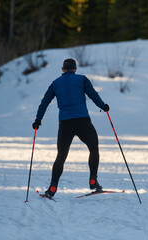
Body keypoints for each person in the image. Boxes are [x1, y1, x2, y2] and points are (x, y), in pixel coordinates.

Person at [32, 58, 109, 198]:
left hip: (65, 123)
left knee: (61, 156)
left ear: (62, 69)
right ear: (75, 69)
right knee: (93, 148)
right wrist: (103, 106)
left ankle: (52, 188)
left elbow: (44, 102)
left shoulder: (55, 83)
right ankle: (93, 180)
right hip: (83, 122)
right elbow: (93, 94)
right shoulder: (82, 79)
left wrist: (38, 119)